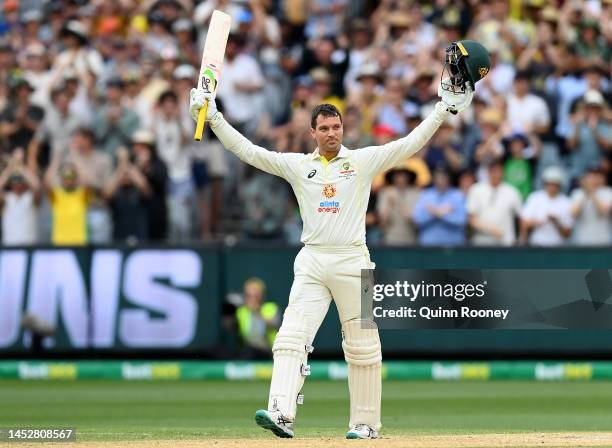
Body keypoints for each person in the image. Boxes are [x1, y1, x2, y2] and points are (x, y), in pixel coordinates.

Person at [190, 41, 477, 439]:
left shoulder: (361, 162)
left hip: (353, 260)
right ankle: (280, 413)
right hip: (311, 260)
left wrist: (442, 109)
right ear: (312, 132)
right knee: (291, 336)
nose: (331, 133)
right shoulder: (297, 166)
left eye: (336, 127)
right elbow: (249, 151)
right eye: (324, 128)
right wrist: (214, 116)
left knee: (361, 347)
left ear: (343, 128)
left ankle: (365, 424)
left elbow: (410, 144)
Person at [467, 160, 522, 246]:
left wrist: (521, 239)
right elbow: (471, 219)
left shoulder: (512, 191)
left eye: (499, 171)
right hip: (481, 243)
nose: (497, 174)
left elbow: (520, 217)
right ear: (488, 172)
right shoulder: (476, 189)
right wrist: (491, 230)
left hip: (506, 243)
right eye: (493, 171)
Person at [412, 167, 467, 246]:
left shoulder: (458, 195)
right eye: (437, 178)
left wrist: (434, 211)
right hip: (429, 245)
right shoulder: (425, 195)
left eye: (443, 177)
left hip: (453, 246)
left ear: (448, 179)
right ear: (433, 179)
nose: (440, 181)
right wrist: (442, 211)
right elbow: (417, 219)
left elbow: (461, 220)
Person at [520, 166, 573, 246]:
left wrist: (556, 222)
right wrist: (540, 221)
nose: (552, 187)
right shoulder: (535, 197)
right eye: (549, 184)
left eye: (555, 184)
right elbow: (524, 223)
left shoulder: (566, 202)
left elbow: (567, 233)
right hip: (536, 244)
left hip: (558, 247)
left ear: (559, 185)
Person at [236, 277, 280, 357]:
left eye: (255, 295)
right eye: (249, 295)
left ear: (262, 295)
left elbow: (274, 325)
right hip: (249, 351)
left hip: (268, 350)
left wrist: (257, 311)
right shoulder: (241, 311)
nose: (252, 299)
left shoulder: (271, 308)